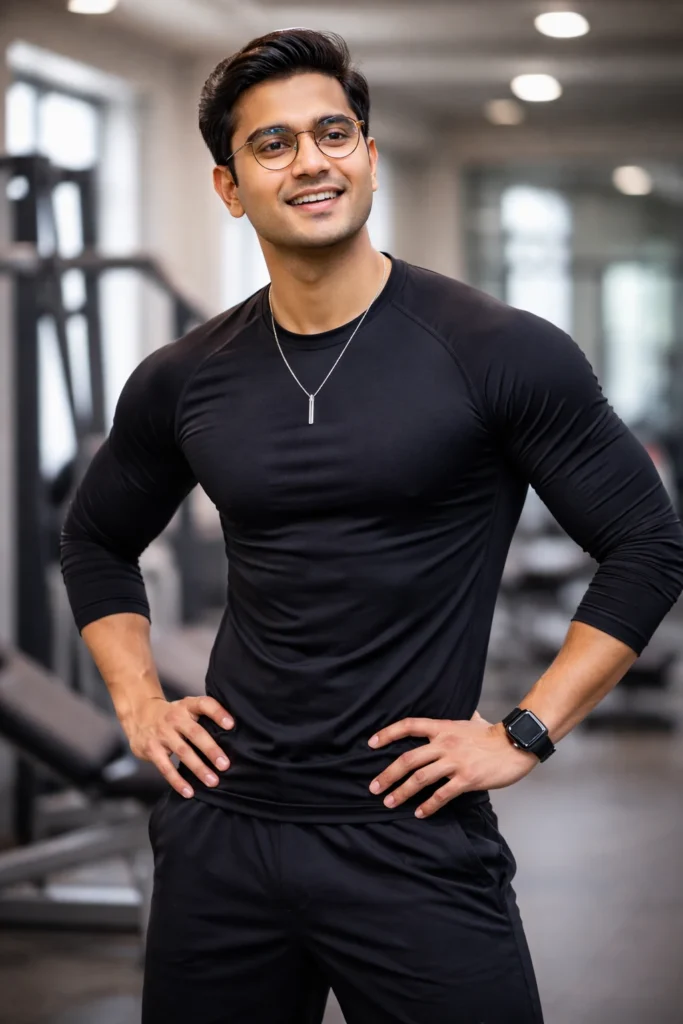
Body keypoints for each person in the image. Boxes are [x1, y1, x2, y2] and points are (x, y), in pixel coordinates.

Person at [60, 28, 683, 1024]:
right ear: (229, 187)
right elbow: (93, 540)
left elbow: (647, 545)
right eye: (273, 145)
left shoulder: (497, 351)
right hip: (223, 830)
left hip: (411, 829)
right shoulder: (186, 376)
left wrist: (524, 730)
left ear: (368, 157)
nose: (310, 160)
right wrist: (139, 702)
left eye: (333, 133)